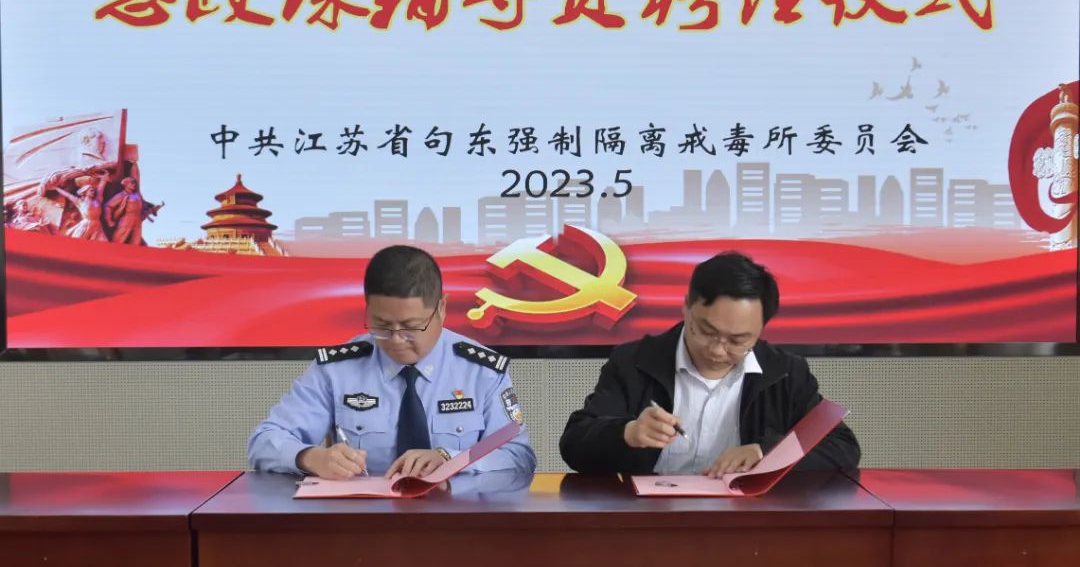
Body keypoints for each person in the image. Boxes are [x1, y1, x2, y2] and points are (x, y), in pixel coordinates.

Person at [249, 245, 536, 480]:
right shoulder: (337, 370)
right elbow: (264, 441)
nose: (396, 339)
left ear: (442, 309)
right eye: (382, 325)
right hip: (363, 519)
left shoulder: (482, 371)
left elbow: (518, 456)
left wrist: (451, 459)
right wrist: (311, 458)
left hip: (459, 519)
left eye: (411, 326)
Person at [560, 251, 860, 477]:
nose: (717, 350)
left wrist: (765, 452)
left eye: (738, 340)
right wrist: (628, 432)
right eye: (706, 331)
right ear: (686, 307)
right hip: (651, 520)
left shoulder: (785, 373)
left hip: (747, 522)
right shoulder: (634, 362)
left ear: (761, 329)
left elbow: (842, 446)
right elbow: (574, 444)